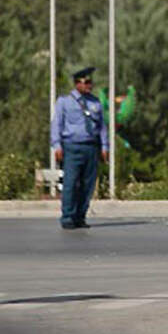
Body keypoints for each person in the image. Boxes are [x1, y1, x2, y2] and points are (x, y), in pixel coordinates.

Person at [51, 67, 109, 229]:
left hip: (91, 147)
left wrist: (104, 146)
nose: (89, 85)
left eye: (90, 82)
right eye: (86, 82)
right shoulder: (64, 101)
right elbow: (57, 124)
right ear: (77, 83)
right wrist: (57, 145)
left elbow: (102, 126)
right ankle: (68, 216)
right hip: (72, 146)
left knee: (88, 184)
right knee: (71, 182)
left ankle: (80, 216)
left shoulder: (95, 102)